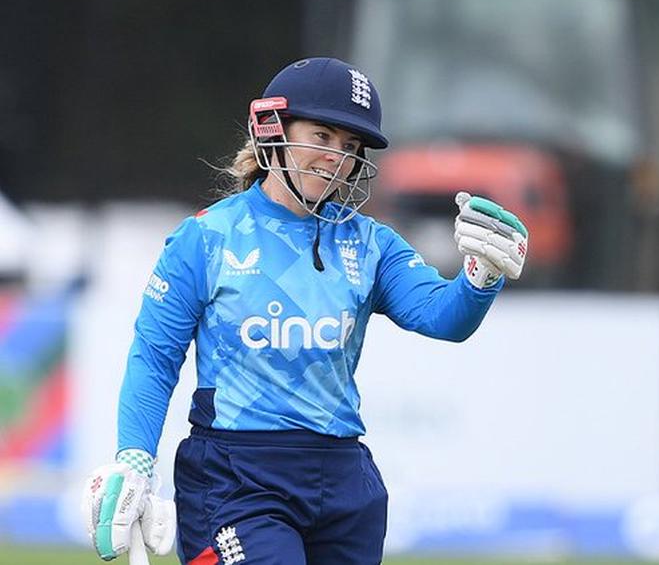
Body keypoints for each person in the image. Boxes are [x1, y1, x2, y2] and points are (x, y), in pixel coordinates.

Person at [81, 57, 529, 564]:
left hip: (344, 481)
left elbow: (442, 317)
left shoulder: (370, 242)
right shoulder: (206, 238)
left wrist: (481, 276)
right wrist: (135, 459)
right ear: (273, 130)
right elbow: (154, 355)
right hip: (236, 478)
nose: (335, 158)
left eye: (350, 147)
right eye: (321, 136)